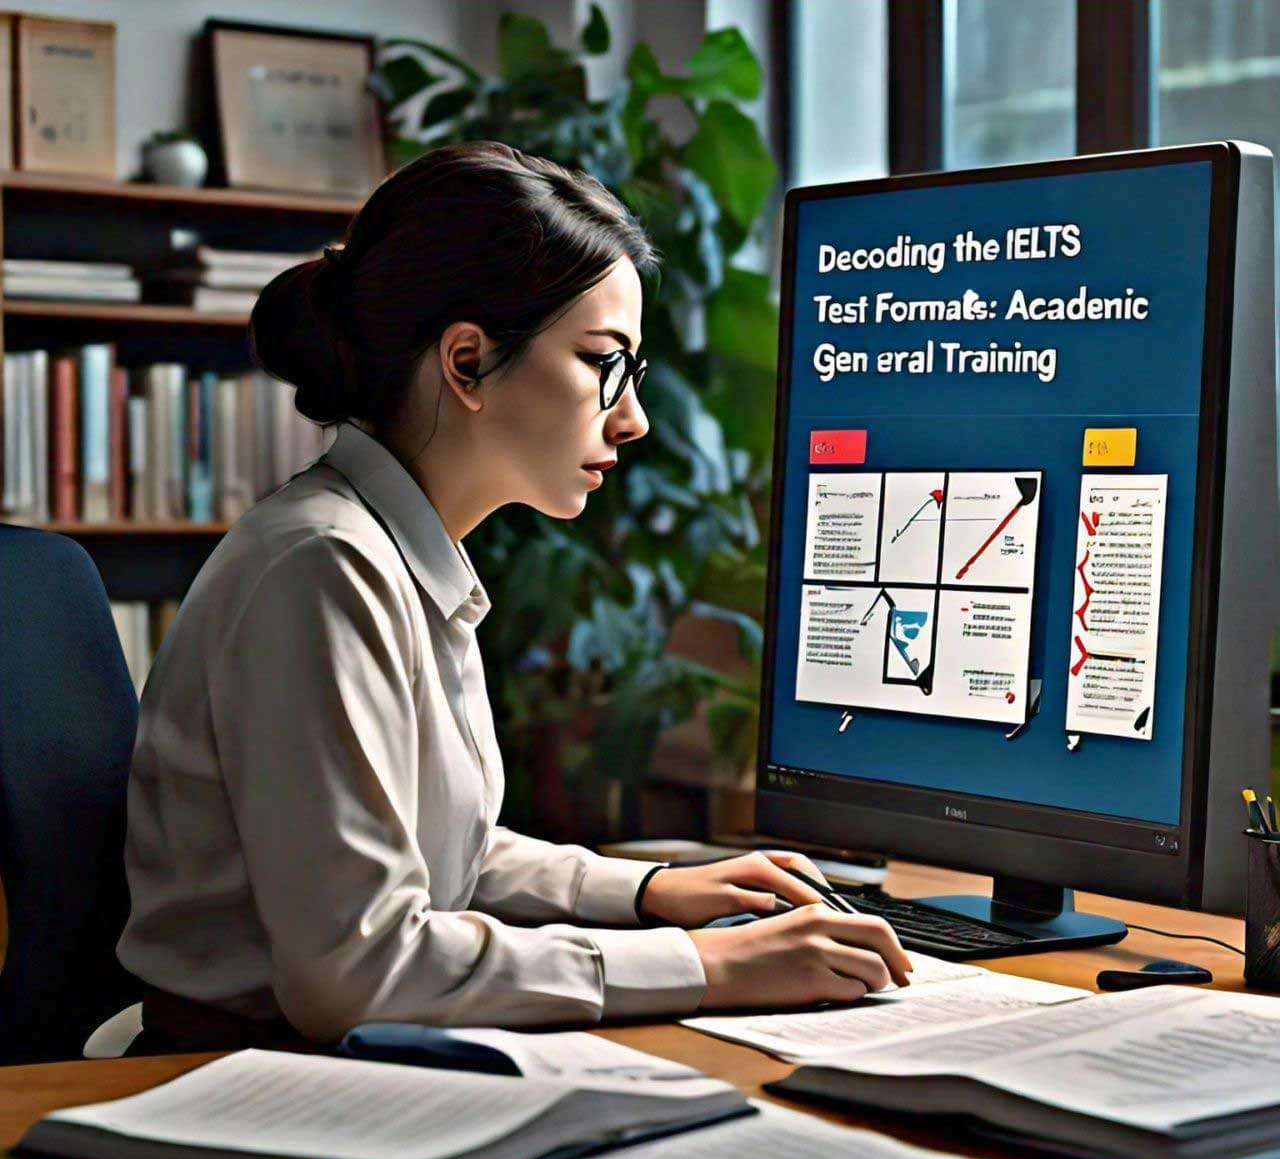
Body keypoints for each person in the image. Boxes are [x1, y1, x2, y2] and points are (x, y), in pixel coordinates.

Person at [116, 141, 910, 1053]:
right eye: (602, 360)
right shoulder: (324, 566)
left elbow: (431, 852)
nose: (634, 418)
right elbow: (359, 967)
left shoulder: (396, 551)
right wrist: (712, 965)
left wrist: (647, 893)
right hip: (242, 1076)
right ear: (466, 362)